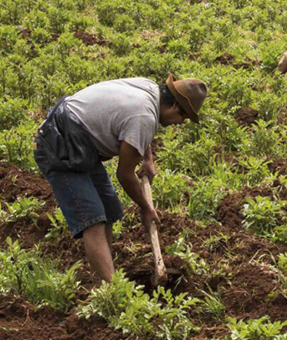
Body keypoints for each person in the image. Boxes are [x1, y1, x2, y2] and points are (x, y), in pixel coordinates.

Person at [34, 74, 206, 282]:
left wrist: (147, 160)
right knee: (93, 219)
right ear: (175, 108)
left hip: (82, 138)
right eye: (183, 118)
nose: (179, 124)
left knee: (110, 210)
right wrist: (146, 208)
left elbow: (138, 127)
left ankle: (105, 277)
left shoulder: (150, 90)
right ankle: (113, 293)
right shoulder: (144, 118)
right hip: (60, 142)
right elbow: (124, 175)